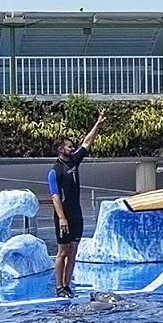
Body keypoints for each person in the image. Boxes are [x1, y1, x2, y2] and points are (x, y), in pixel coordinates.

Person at [47, 110, 106, 299]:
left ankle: (67, 285)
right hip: (63, 217)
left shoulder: (74, 161)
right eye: (68, 147)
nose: (72, 149)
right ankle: (58, 287)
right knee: (62, 252)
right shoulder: (54, 171)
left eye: (72, 147)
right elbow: (55, 197)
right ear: (60, 149)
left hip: (77, 214)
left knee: (73, 251)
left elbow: (87, 142)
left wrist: (97, 123)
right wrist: (62, 218)